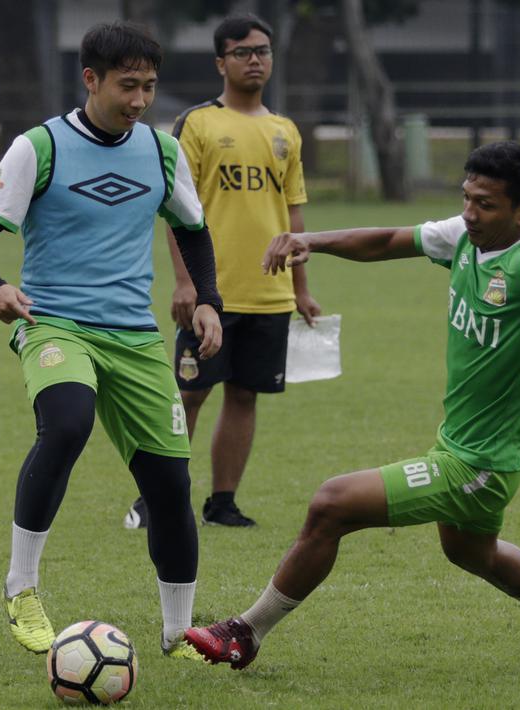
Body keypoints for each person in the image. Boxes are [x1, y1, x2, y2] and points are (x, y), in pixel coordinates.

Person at [184, 142, 520, 669]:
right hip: (461, 444)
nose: (468, 213)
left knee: (332, 503)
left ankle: (246, 632)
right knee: (471, 551)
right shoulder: (465, 239)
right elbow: (389, 239)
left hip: (481, 464)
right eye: (467, 197)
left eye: (484, 204)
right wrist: (313, 241)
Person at [0, 21, 223, 659]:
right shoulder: (39, 147)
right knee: (68, 423)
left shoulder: (162, 151)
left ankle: (178, 632)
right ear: (91, 79)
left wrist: (208, 300)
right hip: (54, 324)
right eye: (127, 86)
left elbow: (192, 229)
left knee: (169, 486)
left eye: (149, 87)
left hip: (133, 337)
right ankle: (22, 589)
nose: (139, 100)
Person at [124, 14, 319, 530]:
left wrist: (301, 289)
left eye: (262, 50)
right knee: (187, 394)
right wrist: (187, 282)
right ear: (220, 62)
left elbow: (293, 211)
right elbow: (176, 207)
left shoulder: (285, 131)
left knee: (245, 394)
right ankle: (155, 498)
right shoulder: (199, 124)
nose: (255, 59)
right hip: (214, 291)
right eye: (242, 52)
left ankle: (223, 501)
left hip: (269, 293)